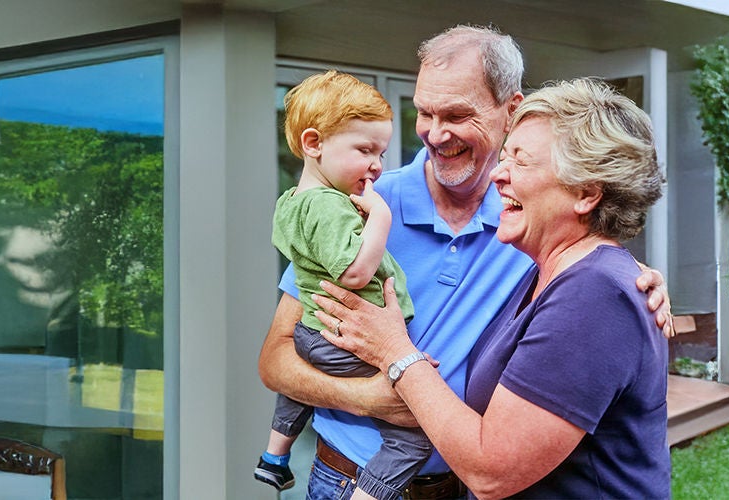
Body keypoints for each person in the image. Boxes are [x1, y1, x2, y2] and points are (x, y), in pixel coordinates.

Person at [257, 25, 672, 500]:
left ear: (510, 110)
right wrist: (369, 398)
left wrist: (635, 281)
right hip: (346, 478)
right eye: (425, 113)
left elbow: (586, 276)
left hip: (466, 485)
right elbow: (275, 361)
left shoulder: (527, 223)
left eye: (456, 114)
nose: (436, 133)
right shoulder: (360, 204)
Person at [253, 70, 429, 499]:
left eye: (382, 152)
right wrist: (381, 219)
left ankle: (275, 456)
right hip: (345, 339)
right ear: (313, 144)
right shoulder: (331, 208)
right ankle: (367, 493)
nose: (376, 165)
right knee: (415, 435)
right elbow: (353, 273)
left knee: (303, 380)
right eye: (365, 149)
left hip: (313, 332)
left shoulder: (291, 202)